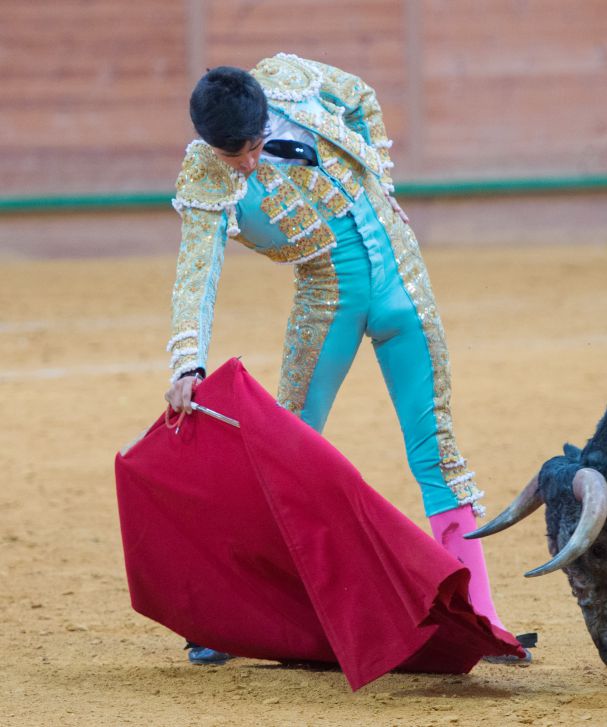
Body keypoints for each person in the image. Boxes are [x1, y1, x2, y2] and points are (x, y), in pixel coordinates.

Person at [164, 53, 527, 665]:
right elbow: (197, 271)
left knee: (436, 449)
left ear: (263, 117)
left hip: (404, 283)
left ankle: (482, 620)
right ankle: (232, 613)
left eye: (253, 146)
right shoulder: (204, 173)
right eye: (235, 156)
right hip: (326, 298)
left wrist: (381, 180)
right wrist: (186, 361)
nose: (248, 164)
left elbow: (360, 94)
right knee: (286, 450)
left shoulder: (289, 80)